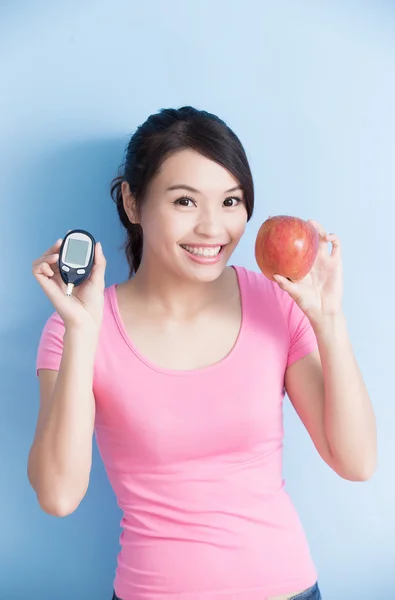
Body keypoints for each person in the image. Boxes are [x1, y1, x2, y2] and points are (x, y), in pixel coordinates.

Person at [28, 106, 377, 600]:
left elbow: (356, 461)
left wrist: (329, 322)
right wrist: (83, 331)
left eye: (230, 201)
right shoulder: (75, 328)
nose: (213, 229)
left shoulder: (277, 303)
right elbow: (58, 495)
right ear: (132, 201)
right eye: (186, 201)